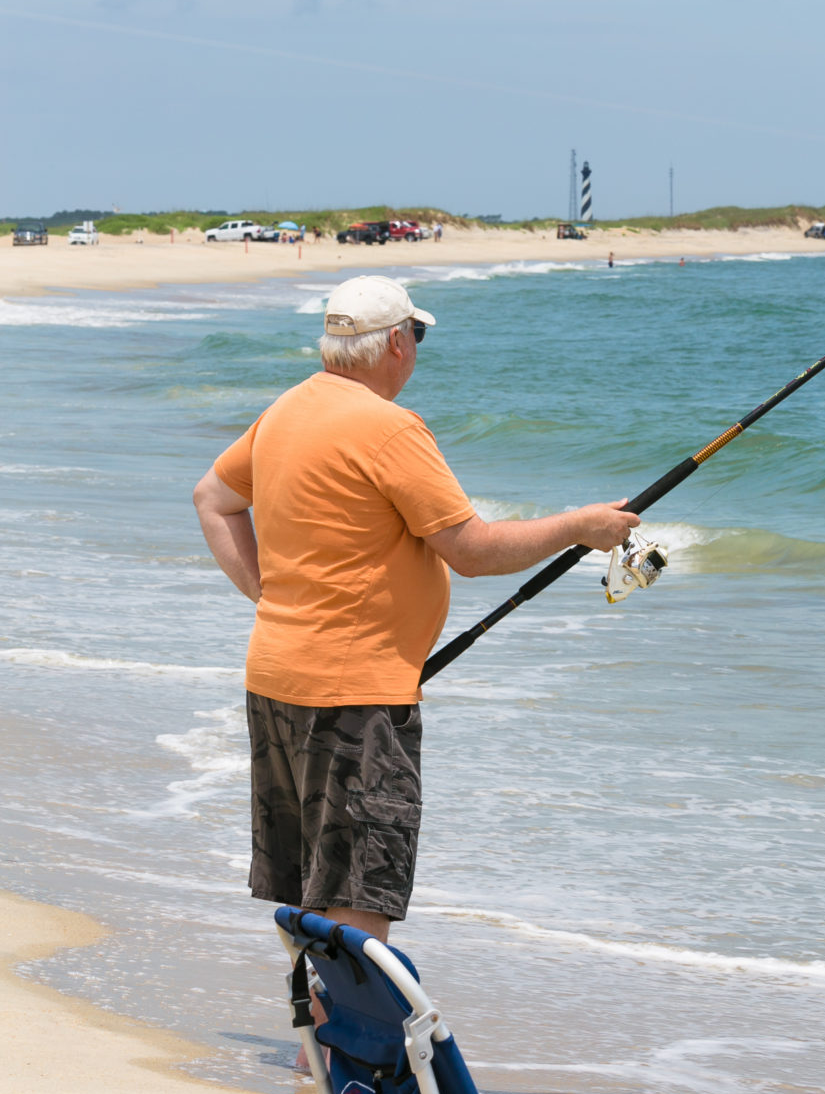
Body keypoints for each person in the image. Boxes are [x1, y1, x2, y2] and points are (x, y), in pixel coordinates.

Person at [192, 276, 637, 953]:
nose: (416, 349)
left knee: (309, 880)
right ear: (397, 342)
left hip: (276, 677)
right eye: (417, 336)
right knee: (359, 890)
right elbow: (472, 549)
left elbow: (213, 498)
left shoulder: (288, 408)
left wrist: (270, 596)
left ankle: (318, 1038)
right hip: (356, 697)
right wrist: (580, 525)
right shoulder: (389, 427)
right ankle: (346, 1047)